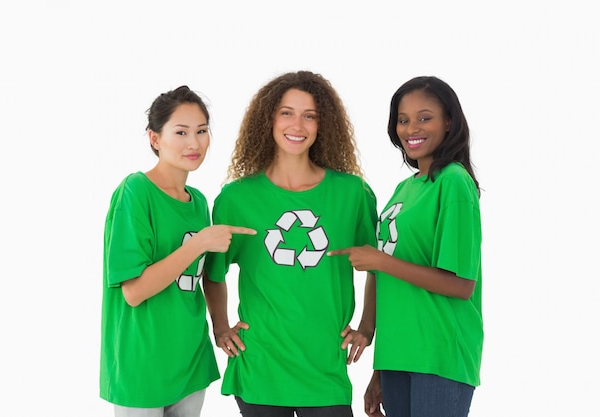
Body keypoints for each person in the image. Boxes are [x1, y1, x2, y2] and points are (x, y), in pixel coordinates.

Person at [203, 70, 378, 417]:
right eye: (286, 112)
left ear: (322, 124)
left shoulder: (352, 194)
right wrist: (220, 327)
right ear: (268, 119)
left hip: (325, 366)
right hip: (261, 366)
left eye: (309, 115)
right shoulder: (237, 199)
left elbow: (378, 265)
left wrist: (367, 326)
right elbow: (214, 272)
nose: (297, 124)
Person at [329, 76, 483, 417]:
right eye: (403, 119)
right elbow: (386, 275)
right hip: (398, 353)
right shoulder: (403, 189)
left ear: (449, 123)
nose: (411, 127)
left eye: (424, 117)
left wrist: (379, 261)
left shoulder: (454, 182)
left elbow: (460, 284)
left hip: (439, 353)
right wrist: (378, 364)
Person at [99, 85, 256, 417]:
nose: (194, 143)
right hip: (141, 363)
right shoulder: (136, 191)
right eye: (181, 132)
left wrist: (221, 327)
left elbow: (211, 277)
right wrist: (200, 243)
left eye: (201, 131)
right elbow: (134, 291)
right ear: (155, 138)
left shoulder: (198, 201)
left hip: (189, 358)